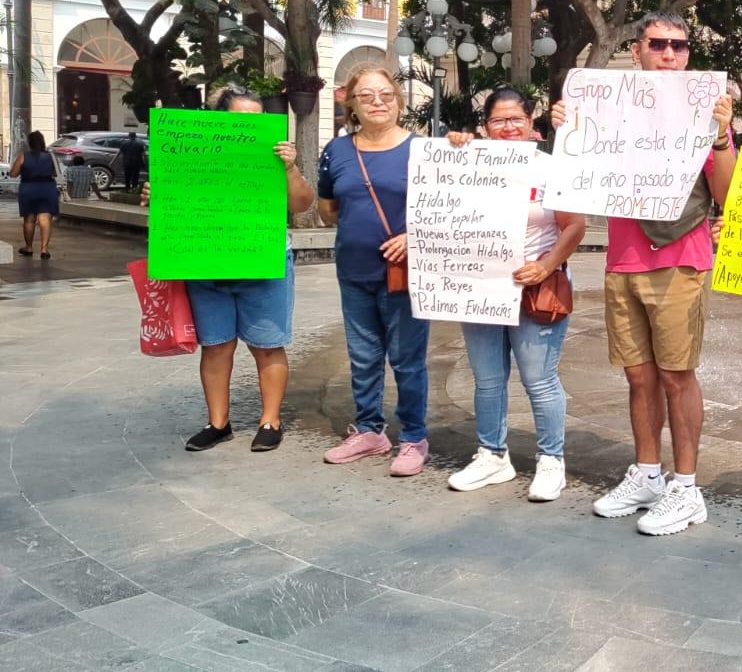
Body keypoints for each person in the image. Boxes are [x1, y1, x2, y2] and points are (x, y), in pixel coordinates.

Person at [550, 11, 736, 536]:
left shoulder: (706, 113)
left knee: (678, 375)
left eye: (680, 46)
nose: (670, 54)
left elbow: (726, 195)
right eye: (658, 44)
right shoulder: (605, 107)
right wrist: (568, 127)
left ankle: (686, 486)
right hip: (623, 259)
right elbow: (574, 170)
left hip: (680, 258)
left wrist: (721, 139)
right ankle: (648, 473)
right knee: (637, 375)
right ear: (637, 50)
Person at [143, 86, 314, 452]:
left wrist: (290, 167)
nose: (250, 127)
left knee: (268, 346)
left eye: (257, 120)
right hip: (208, 264)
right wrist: (155, 197)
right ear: (217, 122)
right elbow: (171, 202)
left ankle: (271, 420)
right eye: (240, 120)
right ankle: (218, 423)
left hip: (263, 262)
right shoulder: (195, 155)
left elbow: (301, 204)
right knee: (216, 346)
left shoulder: (275, 159)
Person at [443, 88, 585, 499]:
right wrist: (455, 149)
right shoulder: (468, 164)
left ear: (531, 124)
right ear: (484, 127)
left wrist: (545, 264)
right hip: (481, 286)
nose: (507, 128)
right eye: (498, 121)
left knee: (539, 379)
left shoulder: (551, 168)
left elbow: (575, 225)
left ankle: (551, 460)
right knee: (487, 380)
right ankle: (492, 455)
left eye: (515, 120)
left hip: (534, 287)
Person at [316, 69, 433, 476]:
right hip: (354, 272)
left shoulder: (424, 150)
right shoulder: (336, 151)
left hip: (406, 274)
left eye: (385, 94)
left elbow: (451, 212)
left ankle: (414, 438)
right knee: (363, 357)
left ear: (399, 101)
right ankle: (369, 430)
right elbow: (328, 208)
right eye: (366, 96)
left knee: (407, 360)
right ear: (351, 104)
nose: (377, 102)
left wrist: (414, 237)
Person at [9, 131, 58, 258]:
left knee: (29, 219)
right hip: (47, 188)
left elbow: (13, 174)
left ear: (29, 143)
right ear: (42, 142)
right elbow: (55, 174)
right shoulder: (50, 156)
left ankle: (29, 247)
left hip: (28, 188)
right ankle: (44, 249)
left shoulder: (23, 156)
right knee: (45, 218)